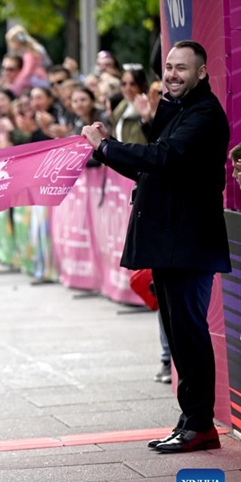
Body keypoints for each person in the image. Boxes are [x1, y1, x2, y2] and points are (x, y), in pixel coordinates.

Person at [82, 40, 230, 453]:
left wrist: (105, 146)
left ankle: (200, 424)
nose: (173, 74)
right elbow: (150, 163)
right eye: (169, 66)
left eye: (183, 68)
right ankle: (191, 418)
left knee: (189, 334)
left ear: (202, 73)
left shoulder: (204, 114)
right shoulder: (179, 108)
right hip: (172, 242)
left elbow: (162, 158)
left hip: (189, 243)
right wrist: (109, 148)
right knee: (179, 334)